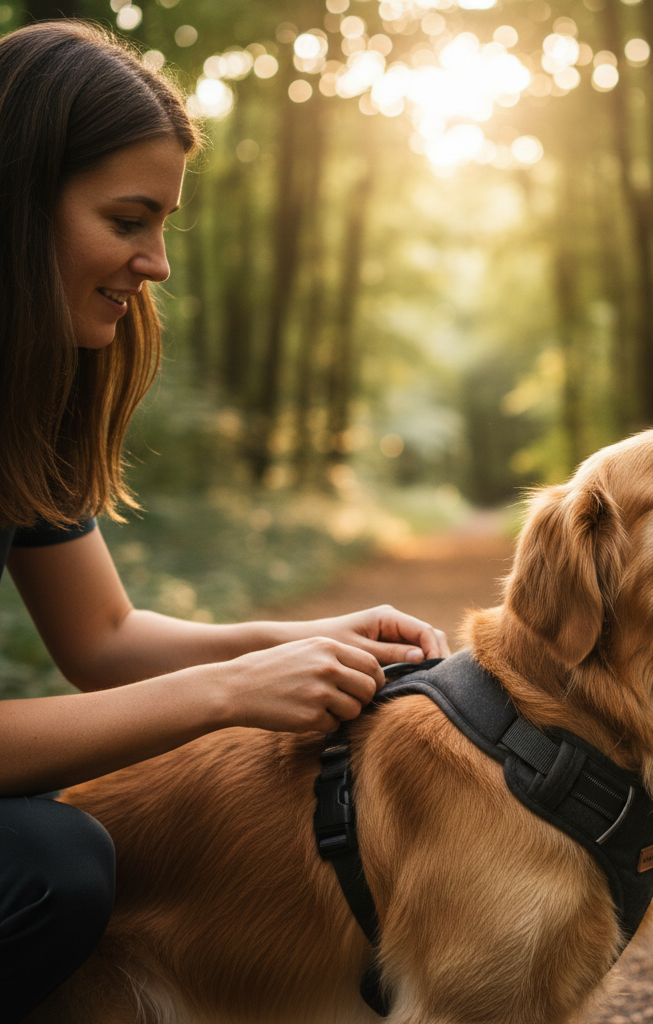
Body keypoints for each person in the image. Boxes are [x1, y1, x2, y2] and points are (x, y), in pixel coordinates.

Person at [0, 21, 449, 1022]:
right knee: (49, 862)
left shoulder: (27, 401)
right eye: (128, 219)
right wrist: (229, 691)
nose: (155, 262)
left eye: (164, 225)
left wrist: (301, 641)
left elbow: (104, 639)